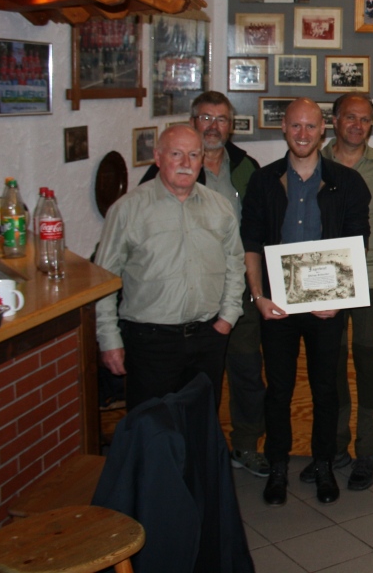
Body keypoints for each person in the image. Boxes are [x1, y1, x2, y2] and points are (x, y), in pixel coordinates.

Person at [242, 98, 372, 506]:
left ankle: (323, 465)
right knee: (278, 390)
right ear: (284, 128)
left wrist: (339, 300)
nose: (302, 134)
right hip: (276, 306)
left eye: (310, 127)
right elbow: (250, 244)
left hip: (326, 306)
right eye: (295, 126)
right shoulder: (263, 181)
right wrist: (258, 296)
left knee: (325, 390)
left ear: (323, 130)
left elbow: (356, 245)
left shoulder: (347, 183)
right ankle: (277, 466)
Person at [139, 91, 265, 476]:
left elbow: (257, 228)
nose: (213, 126)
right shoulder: (162, 170)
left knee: (245, 371)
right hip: (187, 293)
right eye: (205, 118)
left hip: (237, 287)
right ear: (193, 122)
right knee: (192, 380)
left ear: (231, 126)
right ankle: (190, 449)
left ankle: (245, 445)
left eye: (222, 119)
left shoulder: (246, 167)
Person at [95, 125, 245, 413]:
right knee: (151, 430)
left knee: (200, 428)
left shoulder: (220, 207)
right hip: (150, 342)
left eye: (193, 155)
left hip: (207, 337)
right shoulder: (127, 210)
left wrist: (227, 317)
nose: (186, 164)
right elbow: (104, 280)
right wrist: (109, 339)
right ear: (158, 157)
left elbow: (235, 265)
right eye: (176, 154)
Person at [313, 94, 373, 491]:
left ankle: (367, 451)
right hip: (324, 282)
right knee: (330, 366)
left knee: (367, 363)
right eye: (350, 118)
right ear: (334, 120)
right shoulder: (312, 163)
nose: (357, 126)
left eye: (365, 119)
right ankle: (333, 447)